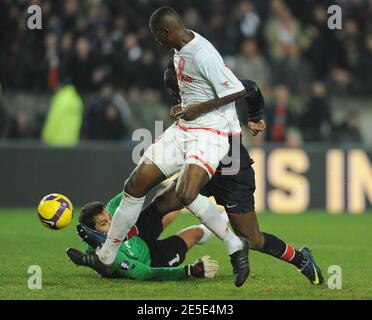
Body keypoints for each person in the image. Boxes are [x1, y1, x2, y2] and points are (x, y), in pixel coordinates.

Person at [74, 6, 250, 287]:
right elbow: (195, 88)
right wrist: (184, 105)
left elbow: (236, 90)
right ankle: (107, 255)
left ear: (167, 31)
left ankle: (234, 246)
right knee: (134, 185)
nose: (157, 41)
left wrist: (197, 109)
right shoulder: (180, 49)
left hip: (211, 133)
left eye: (158, 36)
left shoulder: (203, 54)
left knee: (186, 192)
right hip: (185, 128)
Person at [67, 193, 219, 281]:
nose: (112, 223)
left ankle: (190, 184)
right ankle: (223, 221)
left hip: (139, 236)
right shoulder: (110, 256)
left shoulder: (111, 210)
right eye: (104, 223)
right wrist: (189, 271)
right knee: (195, 233)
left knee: (175, 199)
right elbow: (145, 272)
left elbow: (133, 191)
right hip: (154, 258)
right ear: (94, 231)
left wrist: (154, 173)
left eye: (110, 217)